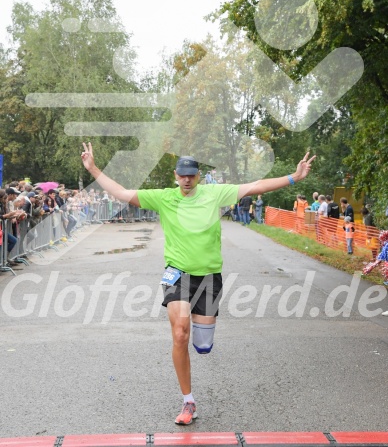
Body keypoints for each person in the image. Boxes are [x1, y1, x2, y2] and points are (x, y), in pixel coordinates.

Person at [81, 143, 315, 425]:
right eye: (183, 175)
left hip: (209, 277)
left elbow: (256, 186)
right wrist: (93, 169)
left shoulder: (215, 194)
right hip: (177, 273)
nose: (187, 179)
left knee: (202, 346)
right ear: (176, 176)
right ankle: (188, 402)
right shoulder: (163, 198)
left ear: (198, 175)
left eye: (192, 175)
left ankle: (200, 343)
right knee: (180, 334)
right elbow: (121, 193)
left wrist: (294, 177)